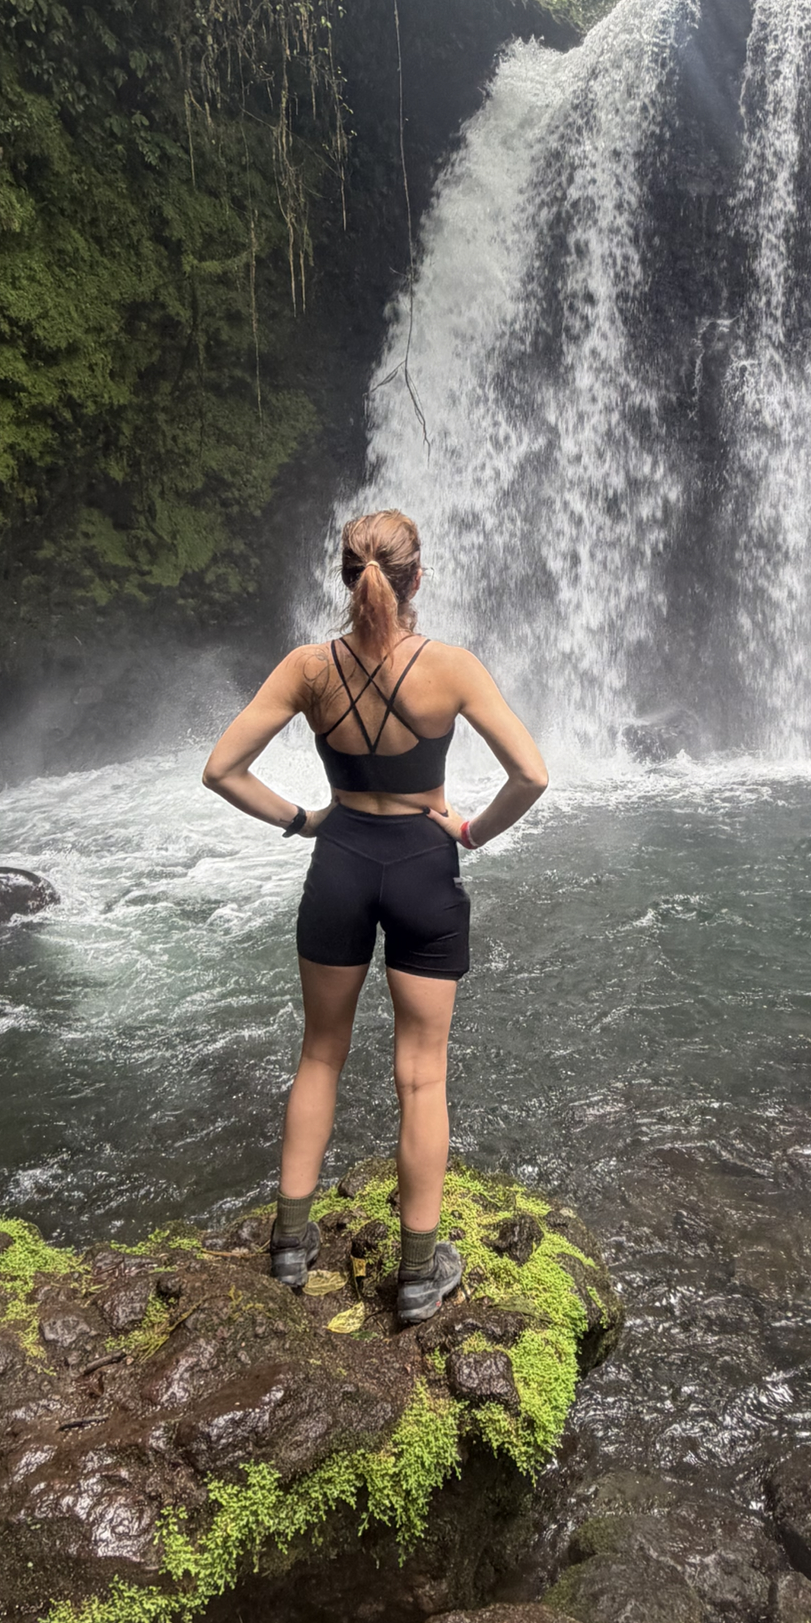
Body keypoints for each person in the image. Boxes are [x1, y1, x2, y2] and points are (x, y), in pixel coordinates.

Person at [202, 508, 548, 1322]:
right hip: (425, 866)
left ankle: (290, 1249)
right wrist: (471, 830)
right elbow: (530, 775)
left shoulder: (307, 668)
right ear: (415, 579)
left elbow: (222, 769)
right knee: (422, 1075)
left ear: (346, 579)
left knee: (320, 1055)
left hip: (342, 862)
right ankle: (421, 1276)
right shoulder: (453, 669)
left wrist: (303, 820)